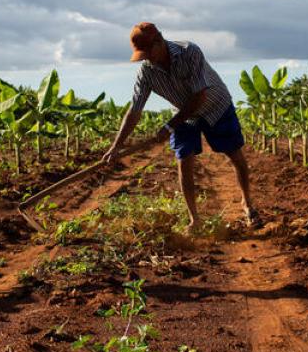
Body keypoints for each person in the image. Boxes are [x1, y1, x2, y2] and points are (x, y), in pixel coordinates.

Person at [102, 22, 257, 231]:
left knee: (235, 156)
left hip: (215, 106)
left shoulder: (189, 52)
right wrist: (116, 146)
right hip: (183, 116)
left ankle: (247, 204)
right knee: (183, 160)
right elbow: (135, 110)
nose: (146, 59)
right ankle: (195, 219)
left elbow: (199, 97)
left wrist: (168, 127)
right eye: (142, 55)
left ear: (159, 41)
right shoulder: (147, 71)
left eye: (147, 53)